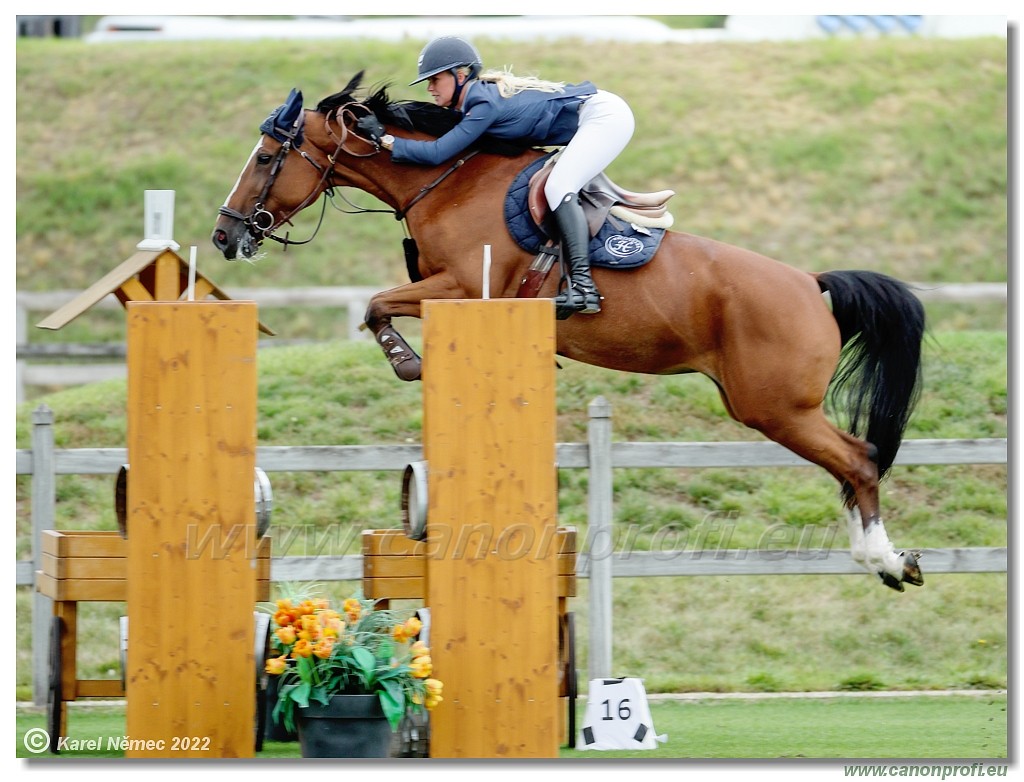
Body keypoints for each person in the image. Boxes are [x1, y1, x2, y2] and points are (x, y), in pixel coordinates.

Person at [357, 36, 635, 317]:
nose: (429, 88)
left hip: (604, 117)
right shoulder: (477, 100)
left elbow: (437, 153)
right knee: (558, 185)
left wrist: (385, 140)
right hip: (597, 113)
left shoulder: (482, 103)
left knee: (559, 187)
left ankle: (584, 289)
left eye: (435, 79)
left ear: (461, 75)